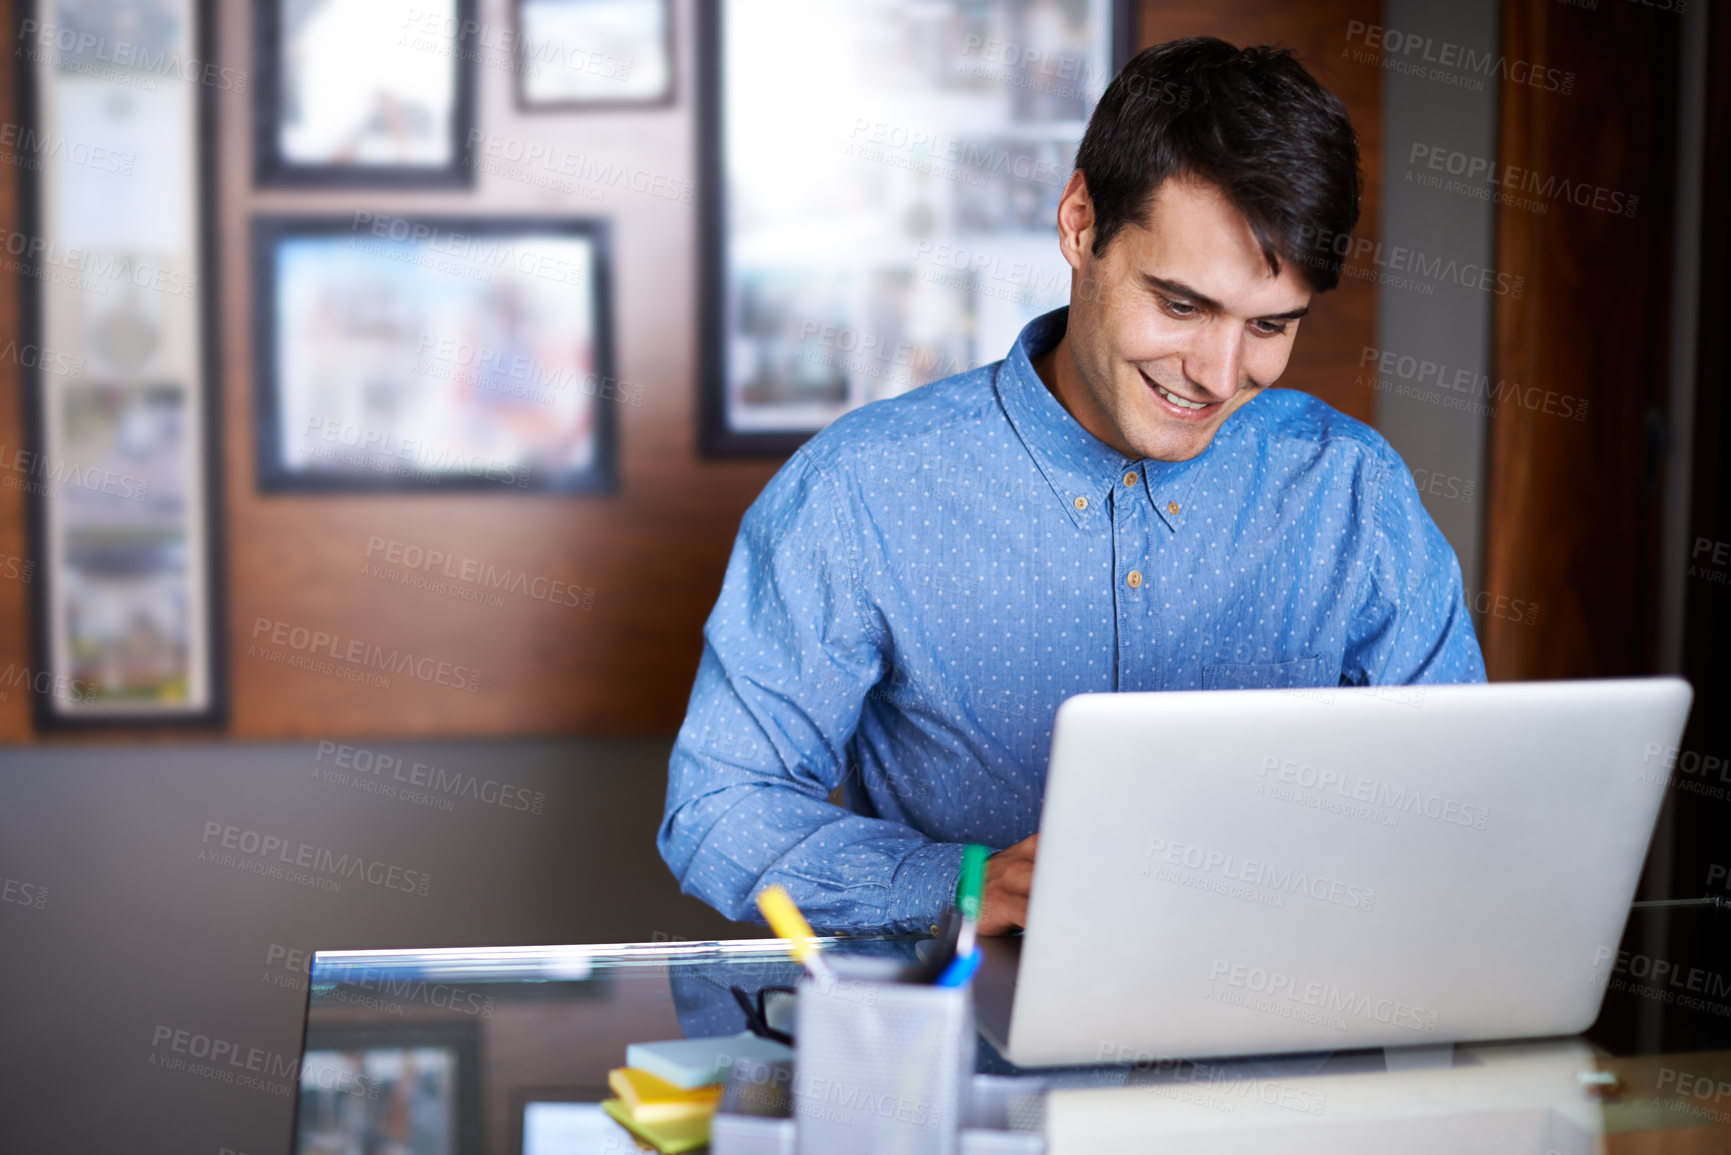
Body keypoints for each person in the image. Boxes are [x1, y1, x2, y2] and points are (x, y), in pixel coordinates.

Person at [659, 37, 1485, 938]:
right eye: (1180, 305)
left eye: (1270, 326)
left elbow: (1457, 803)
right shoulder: (855, 492)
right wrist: (962, 884)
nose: (1216, 374)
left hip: (1287, 1029)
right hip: (966, 1049)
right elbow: (719, 805)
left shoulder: (1353, 493)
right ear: (1080, 222)